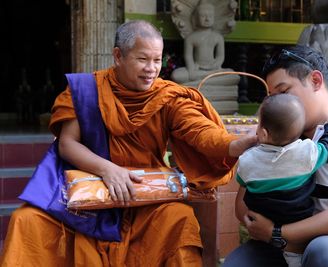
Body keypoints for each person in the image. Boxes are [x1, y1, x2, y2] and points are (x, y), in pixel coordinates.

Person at [0, 20, 257, 267]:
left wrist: (234, 144)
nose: (151, 68)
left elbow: (200, 133)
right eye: (143, 59)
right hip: (91, 196)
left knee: (180, 220)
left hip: (143, 198)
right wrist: (108, 170)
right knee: (27, 220)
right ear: (118, 56)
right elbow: (67, 144)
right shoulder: (88, 90)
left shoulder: (166, 96)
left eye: (157, 60)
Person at [223, 45, 328, 266]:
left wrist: (279, 231)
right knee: (240, 262)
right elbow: (244, 206)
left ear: (315, 80)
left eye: (284, 92)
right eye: (272, 98)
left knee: (324, 250)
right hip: (282, 246)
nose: (279, 105)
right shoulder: (274, 139)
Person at [236, 93, 328, 267]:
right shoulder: (307, 153)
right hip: (298, 224)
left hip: (261, 222)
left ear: (263, 133)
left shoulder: (247, 161)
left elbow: (242, 180)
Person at [170, 1, 236, 85]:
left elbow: (220, 56)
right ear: (196, 18)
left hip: (214, 69)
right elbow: (188, 56)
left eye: (210, 16)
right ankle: (208, 78)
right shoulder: (191, 38)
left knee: (232, 74)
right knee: (176, 75)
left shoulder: (218, 37)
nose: (207, 19)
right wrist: (191, 69)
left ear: (214, 17)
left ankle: (205, 77)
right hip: (196, 68)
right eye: (203, 16)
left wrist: (215, 65)